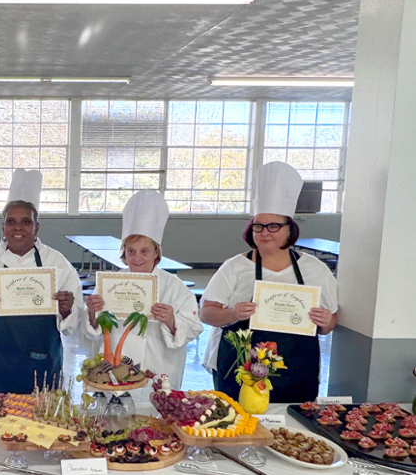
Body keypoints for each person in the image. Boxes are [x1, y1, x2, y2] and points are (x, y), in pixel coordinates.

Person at [200, 162, 338, 402]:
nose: (265, 232)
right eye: (258, 226)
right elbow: (206, 313)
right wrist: (233, 313)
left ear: (289, 229)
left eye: (273, 226)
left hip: (296, 370)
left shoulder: (315, 269)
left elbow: (329, 323)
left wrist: (326, 322)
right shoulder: (235, 266)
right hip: (239, 368)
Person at [0, 169, 82, 399]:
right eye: (11, 222)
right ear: (2, 227)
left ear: (37, 227)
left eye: (26, 222)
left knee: (42, 424)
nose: (18, 228)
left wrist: (66, 308)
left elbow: (75, 320)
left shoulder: (57, 263)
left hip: (44, 364)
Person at [84, 190, 203, 393]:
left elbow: (194, 327)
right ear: (124, 254)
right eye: (131, 251)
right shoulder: (110, 284)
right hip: (113, 372)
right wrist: (91, 312)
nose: (137, 258)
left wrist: (172, 321)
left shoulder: (175, 288)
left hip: (157, 370)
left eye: (144, 251)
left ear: (156, 252)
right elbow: (92, 332)